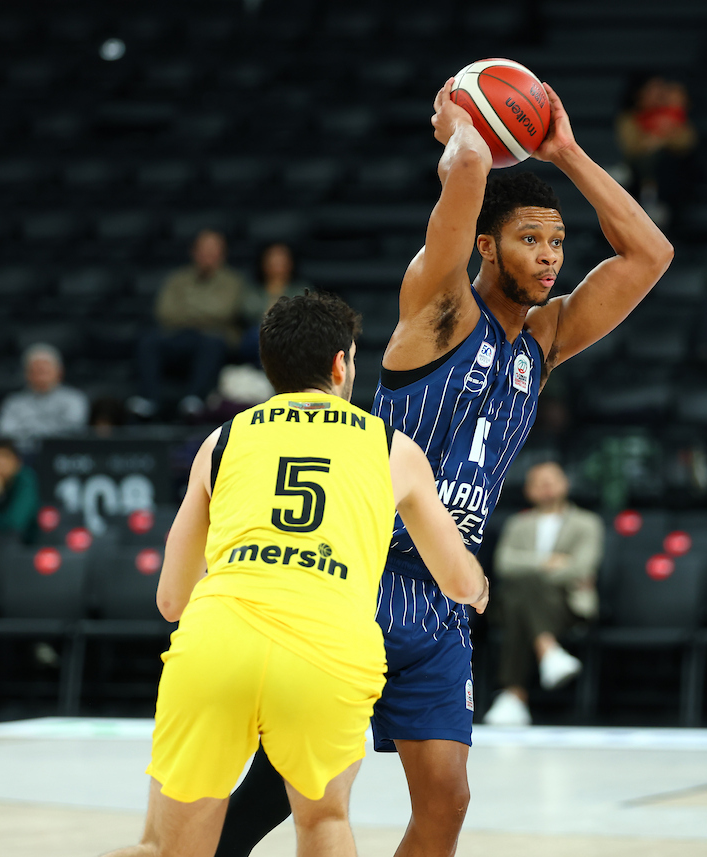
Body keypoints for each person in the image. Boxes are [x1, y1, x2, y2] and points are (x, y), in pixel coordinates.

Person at [215, 77, 672, 857]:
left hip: (440, 595)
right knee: (286, 787)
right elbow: (466, 171)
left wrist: (565, 150)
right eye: (531, 239)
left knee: (447, 802)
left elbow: (651, 254)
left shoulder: (545, 341)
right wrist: (463, 118)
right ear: (487, 246)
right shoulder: (439, 307)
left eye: (558, 242)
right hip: (356, 576)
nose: (550, 257)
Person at [105, 292, 489, 857]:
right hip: (325, 644)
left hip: (218, 642)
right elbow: (457, 581)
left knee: (174, 844)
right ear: (340, 364)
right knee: (323, 821)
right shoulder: (391, 446)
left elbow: (171, 600)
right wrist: (479, 587)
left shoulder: (221, 440)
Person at [484, 462, 603, 727]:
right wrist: (548, 562)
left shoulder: (587, 523)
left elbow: (583, 566)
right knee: (522, 591)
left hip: (567, 602)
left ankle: (513, 695)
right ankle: (548, 650)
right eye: (539, 482)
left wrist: (533, 569)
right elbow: (503, 564)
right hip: (526, 601)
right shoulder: (518, 523)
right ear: (528, 490)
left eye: (552, 480)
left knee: (520, 594)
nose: (546, 487)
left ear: (565, 484)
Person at [129, 230, 245, 420]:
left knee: (213, 343)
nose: (207, 255)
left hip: (211, 337)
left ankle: (195, 399)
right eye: (203, 249)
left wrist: (189, 308)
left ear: (222, 254)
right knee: (148, 341)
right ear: (194, 252)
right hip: (178, 335)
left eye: (213, 250)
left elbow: (224, 312)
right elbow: (165, 312)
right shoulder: (177, 279)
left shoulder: (233, 281)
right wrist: (205, 311)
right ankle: (148, 399)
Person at [615, 74, 699, 224]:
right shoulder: (630, 118)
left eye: (661, 89)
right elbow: (632, 148)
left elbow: (687, 141)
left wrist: (660, 139)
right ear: (639, 93)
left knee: (666, 163)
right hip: (639, 173)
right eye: (653, 89)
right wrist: (655, 140)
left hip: (672, 174)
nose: (659, 94)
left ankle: (656, 203)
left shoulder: (672, 113)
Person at [0, 343, 89, 453]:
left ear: (59, 372)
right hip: (22, 455)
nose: (41, 376)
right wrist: (48, 430)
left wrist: (28, 431)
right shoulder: (13, 402)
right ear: (26, 374)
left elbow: (74, 430)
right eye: (36, 371)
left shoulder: (74, 399)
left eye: (45, 371)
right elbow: (4, 432)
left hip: (62, 454)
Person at [239, 243, 314, 367]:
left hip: (292, 336)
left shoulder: (301, 289)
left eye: (281, 260)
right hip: (257, 336)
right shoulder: (253, 290)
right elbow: (248, 312)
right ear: (263, 263)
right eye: (272, 260)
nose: (277, 264)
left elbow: (305, 316)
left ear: (290, 263)